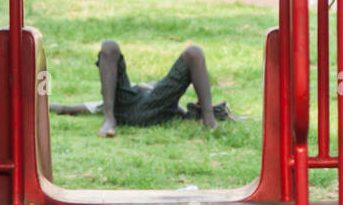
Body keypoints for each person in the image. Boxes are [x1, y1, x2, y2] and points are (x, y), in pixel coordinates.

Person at [49, 39, 233, 137]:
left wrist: (194, 112)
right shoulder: (112, 96)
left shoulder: (161, 92)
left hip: (158, 105)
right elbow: (68, 108)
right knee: (109, 46)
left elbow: (177, 108)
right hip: (123, 108)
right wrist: (43, 104)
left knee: (194, 52)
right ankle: (109, 120)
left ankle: (209, 120)